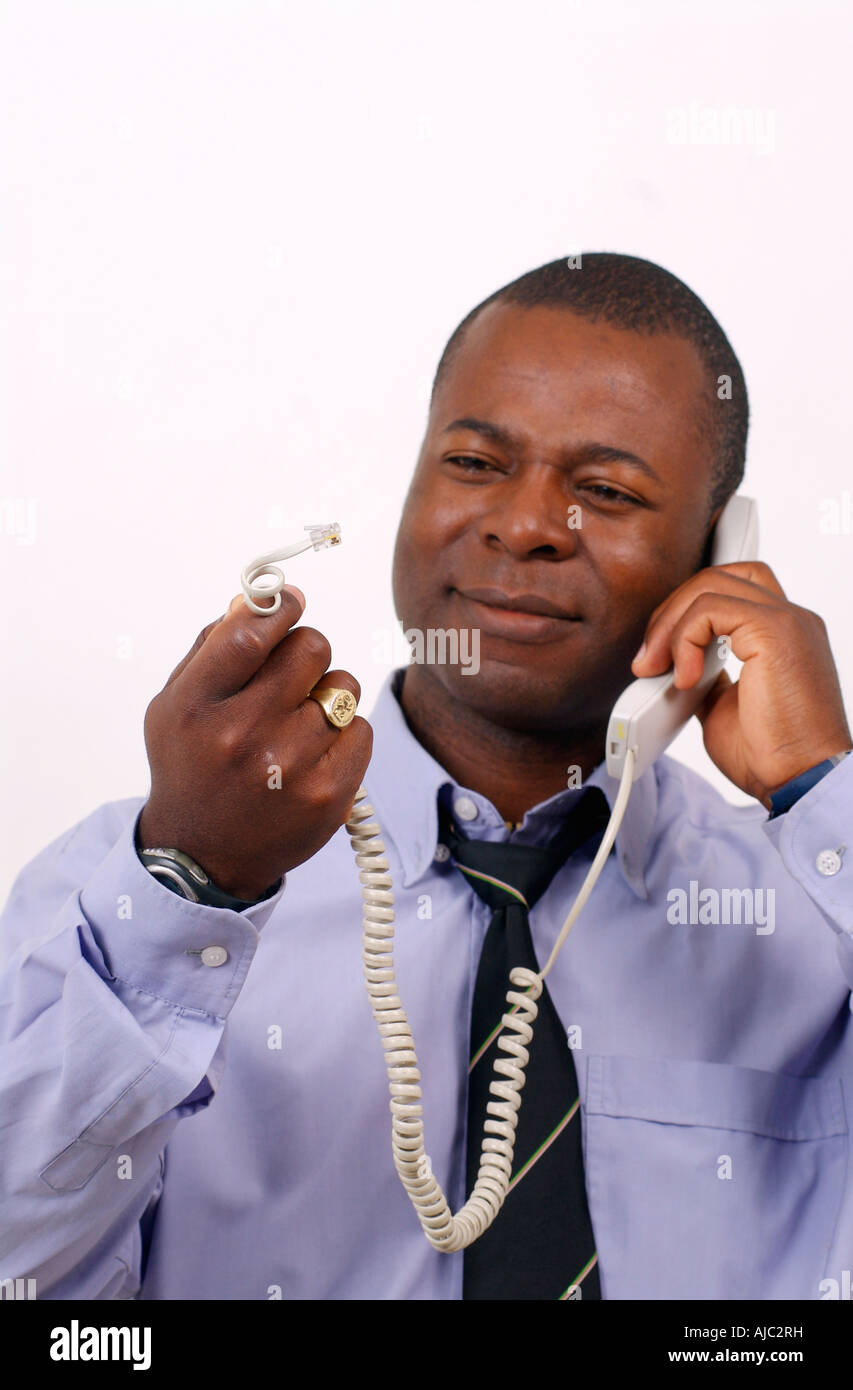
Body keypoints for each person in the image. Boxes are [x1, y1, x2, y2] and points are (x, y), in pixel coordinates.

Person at [2, 253, 852, 1302]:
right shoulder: (137, 892)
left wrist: (824, 790)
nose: (523, 524)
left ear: (721, 553)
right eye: (475, 462)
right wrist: (193, 891)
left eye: (605, 489)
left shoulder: (812, 919)